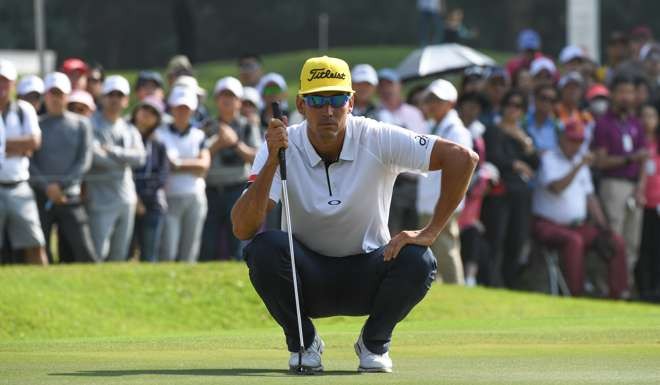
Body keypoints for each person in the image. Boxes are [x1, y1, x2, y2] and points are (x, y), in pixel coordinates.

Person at [232, 55, 478, 373]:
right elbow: (242, 228)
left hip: (369, 272)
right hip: (306, 280)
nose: (328, 110)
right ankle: (303, 343)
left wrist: (430, 230)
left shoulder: (376, 136)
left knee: (419, 258)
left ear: (351, 102)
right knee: (264, 248)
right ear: (301, 104)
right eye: (318, 100)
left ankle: (374, 343)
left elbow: (462, 158)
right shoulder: (279, 143)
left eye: (336, 99)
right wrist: (270, 162)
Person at [532, 121, 628, 298]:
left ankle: (619, 294)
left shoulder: (580, 162)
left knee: (615, 240)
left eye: (579, 141)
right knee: (574, 241)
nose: (576, 146)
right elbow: (557, 187)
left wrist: (603, 226)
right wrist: (578, 166)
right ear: (562, 139)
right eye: (572, 140)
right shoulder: (549, 159)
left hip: (576, 225)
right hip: (548, 225)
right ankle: (577, 294)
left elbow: (590, 197)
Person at [30, 72, 97, 263]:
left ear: (67, 95)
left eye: (59, 93)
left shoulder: (82, 124)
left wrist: (62, 185)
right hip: (42, 197)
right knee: (38, 251)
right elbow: (31, 163)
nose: (55, 98)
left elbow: (84, 161)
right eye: (51, 93)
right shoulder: (36, 124)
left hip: (71, 196)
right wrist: (47, 187)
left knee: (84, 250)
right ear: (45, 96)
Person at [593, 75, 647, 290]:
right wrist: (629, 159)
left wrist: (641, 188)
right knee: (614, 238)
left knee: (632, 241)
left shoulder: (636, 123)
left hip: (634, 185)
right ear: (613, 95)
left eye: (630, 92)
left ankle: (625, 286)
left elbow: (644, 158)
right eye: (622, 92)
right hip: (613, 184)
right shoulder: (604, 123)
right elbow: (601, 161)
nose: (626, 96)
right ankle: (607, 286)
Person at [482, 90, 539, 288]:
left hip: (521, 195)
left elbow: (535, 162)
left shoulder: (524, 134)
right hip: (501, 193)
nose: (513, 110)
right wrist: (516, 164)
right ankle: (491, 281)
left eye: (518, 106)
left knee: (517, 239)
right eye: (510, 104)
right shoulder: (493, 130)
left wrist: (525, 142)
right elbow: (494, 157)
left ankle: (510, 282)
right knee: (497, 238)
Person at [417, 79, 472, 285]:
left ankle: (456, 287)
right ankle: (443, 288)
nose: (432, 104)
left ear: (451, 103)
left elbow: (462, 169)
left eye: (438, 100)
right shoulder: (434, 126)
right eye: (430, 99)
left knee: (446, 247)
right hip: (431, 199)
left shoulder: (457, 131)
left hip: (444, 200)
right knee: (435, 250)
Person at [200, 77, 261, 261]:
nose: (226, 100)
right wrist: (218, 144)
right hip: (210, 190)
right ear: (216, 100)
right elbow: (199, 155)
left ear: (239, 101)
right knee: (208, 241)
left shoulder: (248, 126)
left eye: (231, 96)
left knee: (238, 239)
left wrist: (235, 143)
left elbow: (257, 156)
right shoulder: (207, 126)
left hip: (237, 188)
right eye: (222, 95)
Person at [86, 75, 145, 262]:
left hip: (126, 198)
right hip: (100, 199)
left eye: (119, 95)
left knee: (120, 253)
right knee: (98, 252)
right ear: (103, 97)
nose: (115, 99)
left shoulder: (129, 128)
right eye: (111, 94)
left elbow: (141, 158)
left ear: (126, 100)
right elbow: (94, 156)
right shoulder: (91, 124)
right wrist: (125, 160)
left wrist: (112, 151)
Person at [0, 59, 47, 265]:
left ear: (13, 84)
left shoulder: (24, 109)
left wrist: (2, 145)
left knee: (35, 243)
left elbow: (35, 142)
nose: (1, 86)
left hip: (19, 187)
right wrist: (19, 147)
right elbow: (26, 143)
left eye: (5, 81)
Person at [158, 86, 210, 262]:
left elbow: (203, 165)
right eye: (178, 107)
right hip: (169, 197)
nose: (182, 112)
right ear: (171, 108)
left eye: (186, 108)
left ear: (193, 110)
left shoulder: (199, 135)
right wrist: (192, 164)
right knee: (168, 250)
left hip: (195, 196)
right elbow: (167, 164)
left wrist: (179, 163)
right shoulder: (161, 134)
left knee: (190, 251)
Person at [376, 68, 427, 236]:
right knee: (390, 236)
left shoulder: (414, 114)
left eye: (390, 84)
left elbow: (423, 146)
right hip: (389, 184)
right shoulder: (375, 114)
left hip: (414, 183)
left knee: (413, 235)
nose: (386, 89)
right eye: (382, 85)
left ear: (400, 86)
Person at [457, 92, 497, 286]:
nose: (473, 110)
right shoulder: (455, 131)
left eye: (476, 106)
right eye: (469, 104)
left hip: (471, 207)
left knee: (475, 238)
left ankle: (470, 279)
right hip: (454, 196)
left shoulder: (479, 137)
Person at [130, 96, 169, 262]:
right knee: (125, 253)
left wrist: (144, 197)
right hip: (127, 199)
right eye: (145, 108)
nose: (147, 114)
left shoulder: (159, 144)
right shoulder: (125, 136)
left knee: (149, 255)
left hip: (152, 204)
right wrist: (135, 198)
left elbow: (162, 175)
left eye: (153, 112)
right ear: (136, 111)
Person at [635, 104, 660, 301]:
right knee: (643, 248)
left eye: (651, 116)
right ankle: (644, 290)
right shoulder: (637, 143)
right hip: (642, 204)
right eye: (643, 116)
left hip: (658, 205)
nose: (647, 120)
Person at [556, 72, 594, 150]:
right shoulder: (553, 112)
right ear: (562, 90)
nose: (573, 91)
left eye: (576, 88)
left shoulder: (586, 116)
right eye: (569, 87)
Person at [524, 84, 560, 153]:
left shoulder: (558, 127)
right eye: (543, 98)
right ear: (534, 99)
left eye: (552, 100)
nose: (547, 103)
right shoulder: (523, 122)